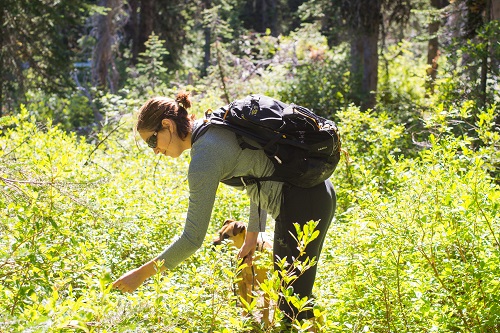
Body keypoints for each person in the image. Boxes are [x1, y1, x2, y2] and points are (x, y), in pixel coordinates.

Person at [112, 91, 336, 326]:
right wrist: (252, 237)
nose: (155, 151)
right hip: (316, 193)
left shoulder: (204, 160)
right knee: (295, 298)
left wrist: (141, 274)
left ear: (167, 125)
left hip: (301, 205)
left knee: (292, 308)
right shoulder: (214, 125)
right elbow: (259, 173)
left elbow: (192, 238)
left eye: (151, 141)